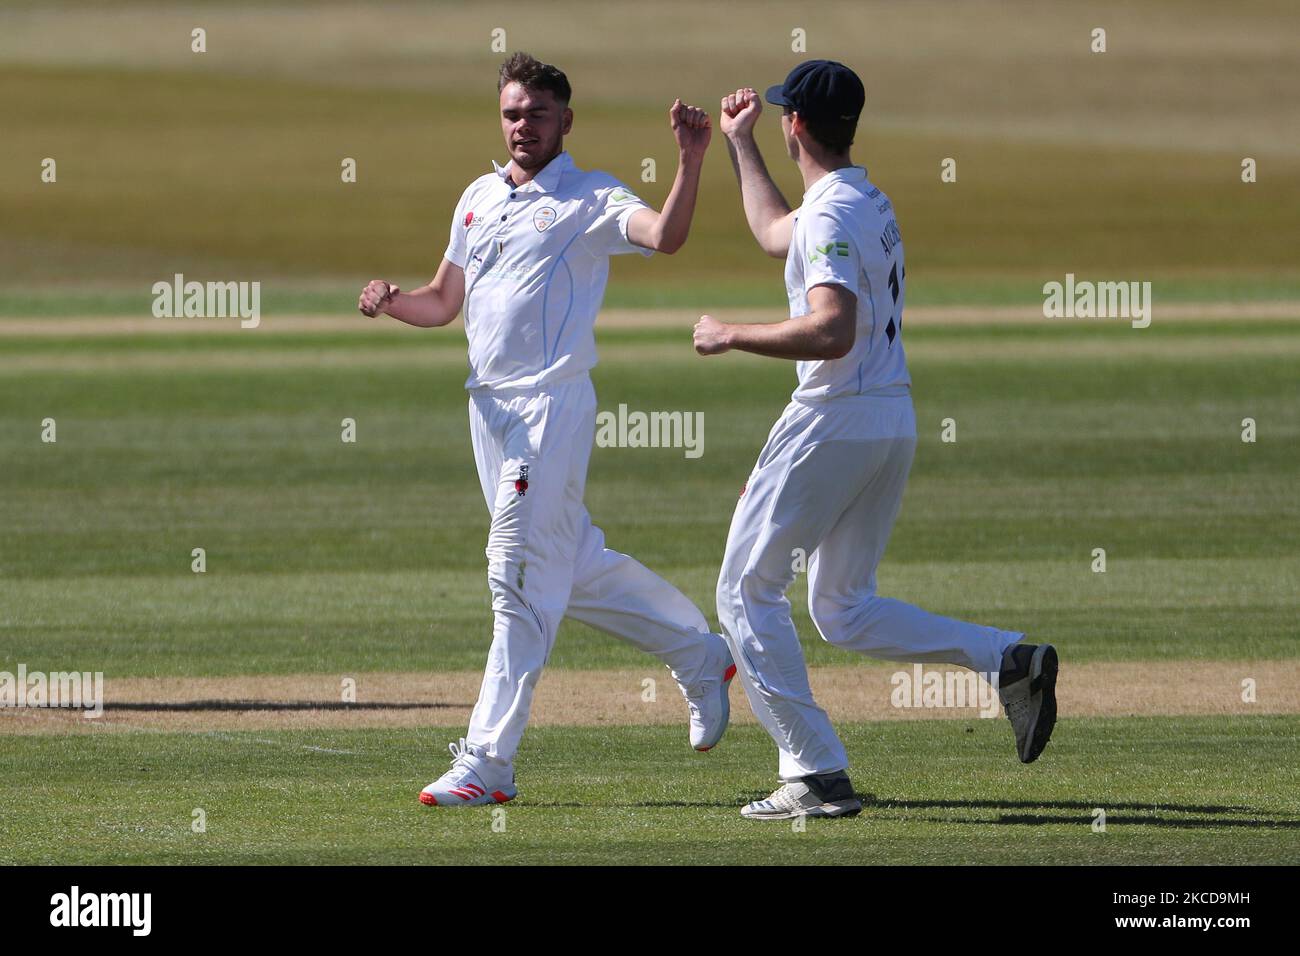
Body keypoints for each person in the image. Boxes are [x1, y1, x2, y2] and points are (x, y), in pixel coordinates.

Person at [359, 52, 734, 808]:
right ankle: (701, 655)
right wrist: (394, 299)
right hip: (487, 410)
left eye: (534, 113)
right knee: (570, 565)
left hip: (549, 406)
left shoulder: (590, 197)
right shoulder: (477, 196)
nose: (521, 125)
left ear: (566, 118)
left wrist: (690, 160)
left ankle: (488, 762)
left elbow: (665, 235)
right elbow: (443, 301)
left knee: (513, 572)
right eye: (510, 113)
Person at [693, 61, 1058, 820]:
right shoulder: (863, 198)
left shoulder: (831, 214)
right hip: (889, 416)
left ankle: (815, 771)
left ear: (795, 123)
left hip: (837, 416)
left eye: (777, 117)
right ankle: (1009, 661)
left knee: (744, 590)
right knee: (843, 608)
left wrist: (733, 334)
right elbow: (772, 232)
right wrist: (738, 145)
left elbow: (832, 328)